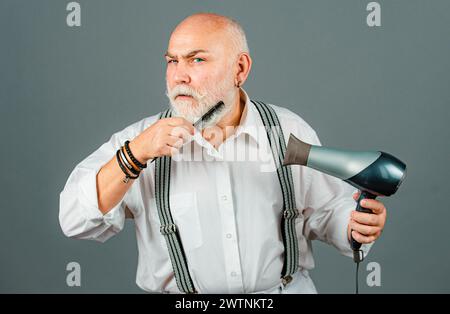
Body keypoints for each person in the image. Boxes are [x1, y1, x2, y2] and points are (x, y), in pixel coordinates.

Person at [59, 12, 387, 294]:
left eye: (196, 59)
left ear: (240, 69)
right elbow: (75, 218)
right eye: (172, 61)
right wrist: (136, 154)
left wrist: (354, 226)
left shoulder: (288, 130)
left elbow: (328, 210)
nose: (179, 75)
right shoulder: (139, 140)